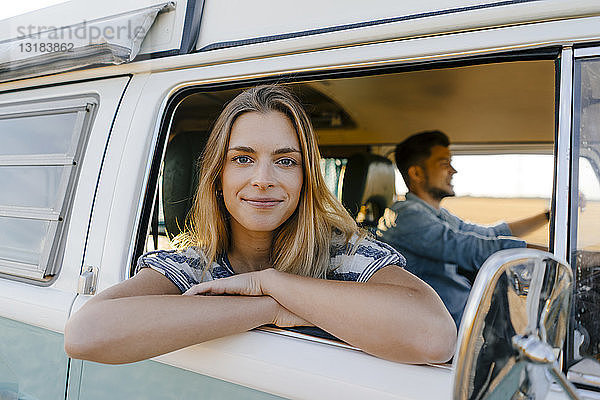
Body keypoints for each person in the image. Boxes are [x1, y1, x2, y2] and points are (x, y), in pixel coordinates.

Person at [64, 86, 456, 365]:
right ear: (218, 175)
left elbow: (433, 337)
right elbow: (86, 335)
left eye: (285, 161)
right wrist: (272, 308)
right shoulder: (194, 266)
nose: (263, 179)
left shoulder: (344, 254)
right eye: (242, 159)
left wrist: (271, 282)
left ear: (305, 179)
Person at [376, 131, 549, 328]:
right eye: (444, 163)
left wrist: (547, 216)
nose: (453, 170)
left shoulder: (436, 214)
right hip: (442, 331)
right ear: (416, 173)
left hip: (462, 321)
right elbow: (471, 248)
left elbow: (488, 234)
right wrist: (550, 256)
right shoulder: (406, 216)